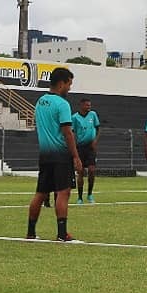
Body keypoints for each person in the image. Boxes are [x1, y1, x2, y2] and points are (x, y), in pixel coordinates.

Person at [26, 67, 82, 242]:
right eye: (69, 84)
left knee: (41, 193)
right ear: (61, 83)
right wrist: (75, 156)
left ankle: (31, 232)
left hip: (45, 154)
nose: (69, 88)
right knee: (63, 192)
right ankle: (62, 233)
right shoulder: (62, 104)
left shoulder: (41, 101)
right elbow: (67, 132)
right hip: (60, 155)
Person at [72, 98, 100, 204]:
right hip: (80, 147)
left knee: (92, 171)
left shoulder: (93, 115)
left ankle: (89, 194)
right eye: (87, 105)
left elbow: (98, 129)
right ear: (81, 105)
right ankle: (80, 197)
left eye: (90, 105)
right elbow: (73, 133)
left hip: (90, 147)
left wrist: (95, 141)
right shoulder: (74, 117)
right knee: (80, 172)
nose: (89, 107)